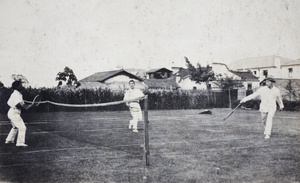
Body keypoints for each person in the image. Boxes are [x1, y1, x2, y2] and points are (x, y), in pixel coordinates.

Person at [5, 80, 30, 146]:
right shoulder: (16, 94)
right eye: (20, 85)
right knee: (22, 127)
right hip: (14, 112)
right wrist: (25, 107)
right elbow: (18, 104)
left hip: (12, 112)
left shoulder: (18, 94)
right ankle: (20, 142)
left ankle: (9, 140)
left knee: (15, 127)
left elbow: (22, 104)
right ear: (17, 87)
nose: (21, 86)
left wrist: (26, 106)